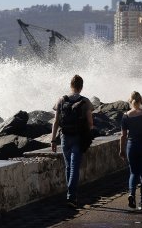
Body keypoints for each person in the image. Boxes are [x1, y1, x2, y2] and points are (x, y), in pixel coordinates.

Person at [51, 74, 94, 208]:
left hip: (65, 137)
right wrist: (89, 135)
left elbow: (56, 121)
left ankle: (71, 195)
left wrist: (53, 140)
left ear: (71, 85)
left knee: (69, 166)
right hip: (78, 137)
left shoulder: (61, 100)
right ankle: (71, 195)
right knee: (74, 167)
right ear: (81, 87)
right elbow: (90, 123)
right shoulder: (85, 101)